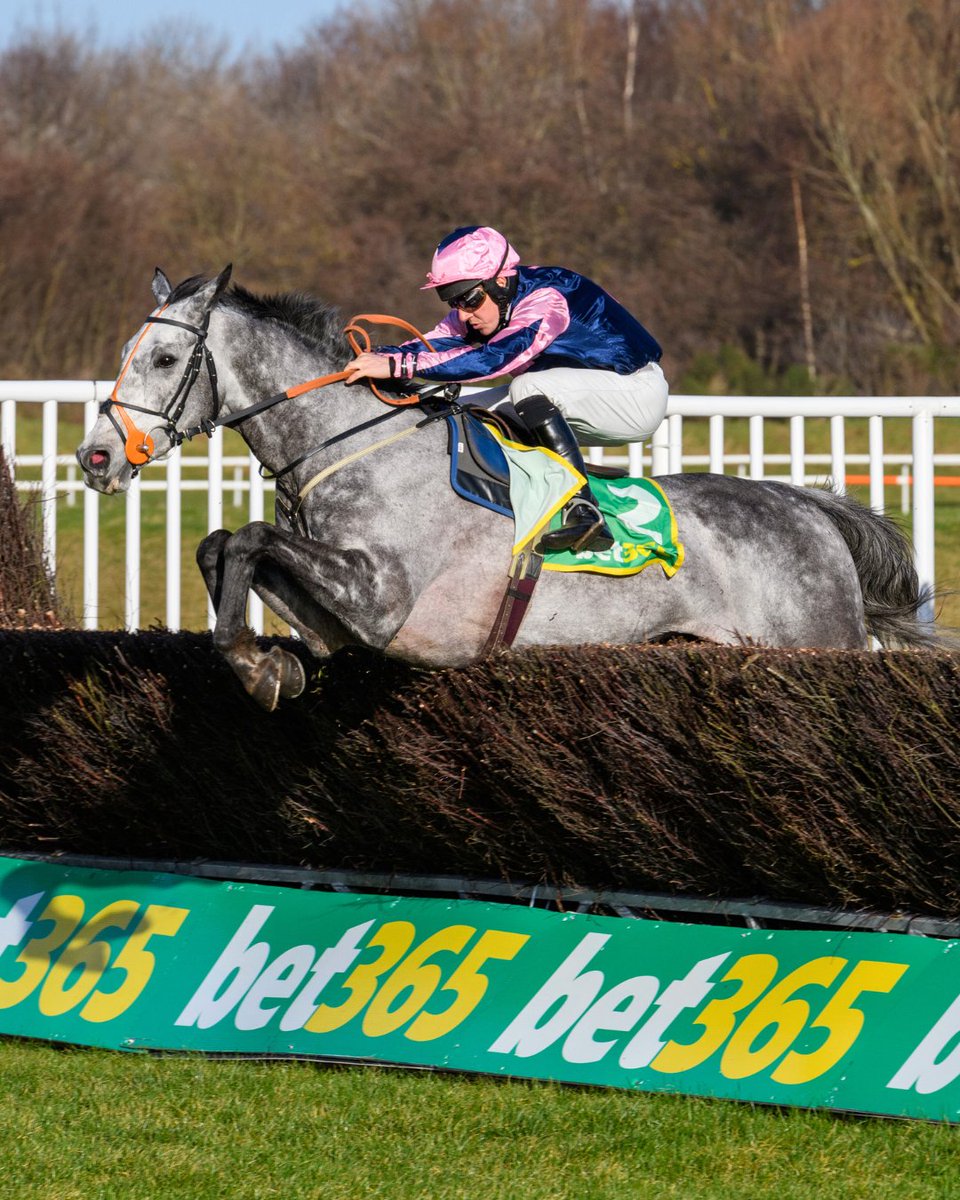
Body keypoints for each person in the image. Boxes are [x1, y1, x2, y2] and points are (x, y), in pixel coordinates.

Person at [344, 225, 669, 553]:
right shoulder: (488, 303)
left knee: (526, 386)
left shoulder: (546, 299)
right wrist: (375, 357)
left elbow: (495, 359)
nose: (463, 314)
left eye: (469, 299)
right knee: (462, 412)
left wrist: (399, 366)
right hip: (584, 395)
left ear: (500, 280)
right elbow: (434, 344)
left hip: (635, 394)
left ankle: (583, 510)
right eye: (453, 300)